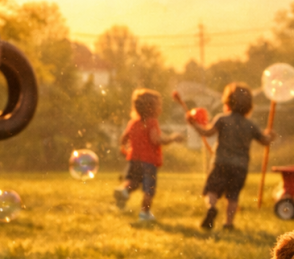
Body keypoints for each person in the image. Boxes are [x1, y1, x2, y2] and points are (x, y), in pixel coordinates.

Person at [187, 82, 272, 230]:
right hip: (240, 166)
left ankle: (211, 208)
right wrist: (270, 136)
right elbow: (264, 141)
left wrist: (194, 124)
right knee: (233, 195)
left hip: (220, 163)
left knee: (212, 190)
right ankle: (228, 223)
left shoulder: (222, 119)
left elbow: (207, 133)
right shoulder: (250, 125)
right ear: (249, 106)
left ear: (227, 102)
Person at [114, 88, 184, 221]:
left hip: (134, 159)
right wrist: (172, 138)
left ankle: (123, 191)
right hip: (149, 162)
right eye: (159, 106)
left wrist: (123, 148)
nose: (161, 109)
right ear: (151, 108)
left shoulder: (133, 122)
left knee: (133, 182)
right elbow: (155, 139)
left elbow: (123, 139)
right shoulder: (152, 122)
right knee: (149, 189)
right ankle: (144, 214)